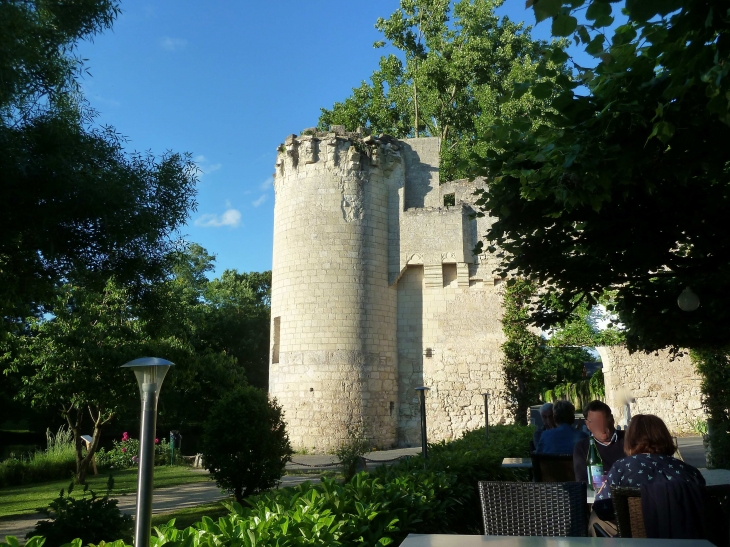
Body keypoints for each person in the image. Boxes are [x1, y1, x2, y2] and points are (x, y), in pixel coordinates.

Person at [590, 414, 706, 538]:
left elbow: (603, 508)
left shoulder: (622, 467)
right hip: (687, 537)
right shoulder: (690, 471)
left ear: (630, 440)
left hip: (637, 538)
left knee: (594, 519)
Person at [573, 400, 625, 483]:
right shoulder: (582, 447)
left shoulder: (629, 439)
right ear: (587, 425)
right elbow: (582, 480)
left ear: (612, 419)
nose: (600, 426)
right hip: (597, 494)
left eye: (603, 421)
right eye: (595, 422)